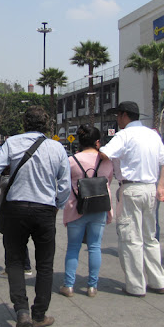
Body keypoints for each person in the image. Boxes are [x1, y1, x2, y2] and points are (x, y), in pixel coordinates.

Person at [0, 106, 70, 327]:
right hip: (45, 209)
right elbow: (65, 185)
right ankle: (39, 314)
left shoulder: (12, 142)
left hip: (16, 208)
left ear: (24, 124)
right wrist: (57, 205)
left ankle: (21, 311)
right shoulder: (57, 148)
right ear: (46, 126)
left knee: (14, 261)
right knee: (45, 264)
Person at [99, 101, 164, 297]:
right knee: (150, 237)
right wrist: (161, 187)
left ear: (124, 115)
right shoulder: (152, 135)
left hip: (131, 188)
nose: (117, 119)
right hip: (150, 189)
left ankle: (136, 285)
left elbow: (105, 154)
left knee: (131, 238)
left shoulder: (124, 135)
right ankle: (158, 281)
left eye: (118, 115)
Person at [60, 125, 113, 298]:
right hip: (98, 207)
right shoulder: (106, 160)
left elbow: (65, 185)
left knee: (73, 247)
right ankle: (92, 286)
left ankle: (69, 285)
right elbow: (108, 181)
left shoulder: (71, 161)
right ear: (98, 142)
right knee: (95, 246)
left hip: (76, 207)